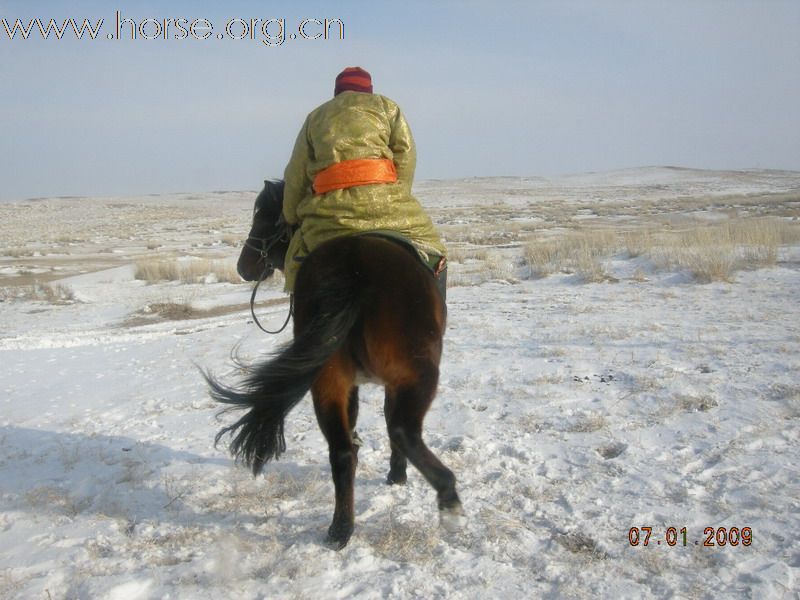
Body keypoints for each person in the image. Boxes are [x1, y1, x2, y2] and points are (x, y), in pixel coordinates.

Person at [281, 66, 447, 297]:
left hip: (330, 212)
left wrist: (291, 216)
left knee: (298, 262)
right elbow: (406, 154)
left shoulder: (316, 117)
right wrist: (396, 193)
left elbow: (296, 174)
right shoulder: (387, 107)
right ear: (369, 91)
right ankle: (434, 327)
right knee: (434, 254)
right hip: (388, 202)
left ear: (336, 92)